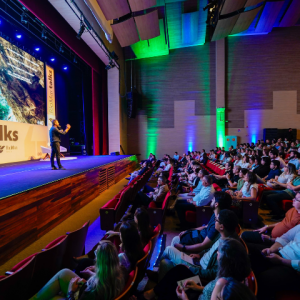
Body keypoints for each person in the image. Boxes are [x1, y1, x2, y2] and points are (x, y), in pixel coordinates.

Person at [141, 236, 250, 300]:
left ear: (226, 260)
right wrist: (198, 288)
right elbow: (212, 290)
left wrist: (185, 298)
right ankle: (153, 292)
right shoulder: (231, 275)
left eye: (219, 253)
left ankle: (152, 294)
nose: (216, 253)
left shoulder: (223, 284)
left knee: (172, 286)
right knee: (179, 271)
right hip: (201, 289)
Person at [31, 240, 126, 300]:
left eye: (96, 255)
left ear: (100, 263)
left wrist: (70, 291)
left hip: (79, 295)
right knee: (64, 272)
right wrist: (91, 277)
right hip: (87, 289)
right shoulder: (121, 273)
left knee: (55, 297)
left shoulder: (92, 292)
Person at [247, 224, 300, 300]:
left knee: (262, 280)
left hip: (294, 269)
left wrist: (281, 261)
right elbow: (285, 238)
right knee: (250, 256)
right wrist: (271, 250)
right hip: (280, 254)